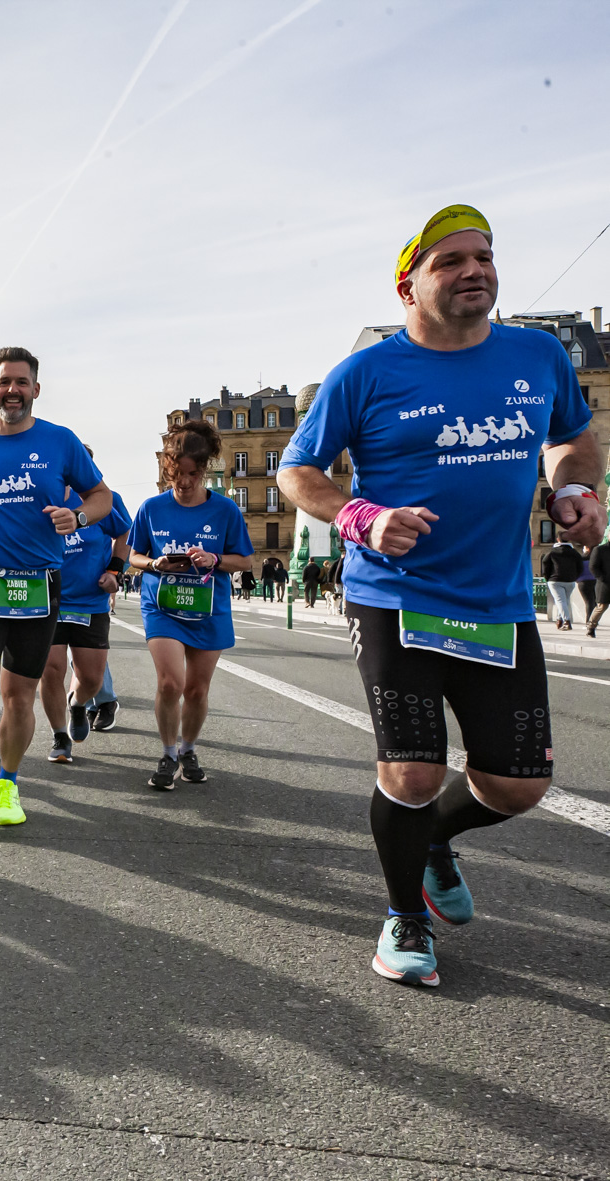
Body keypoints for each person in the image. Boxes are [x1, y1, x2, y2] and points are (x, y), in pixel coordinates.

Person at [279, 203, 603, 988]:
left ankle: (432, 843)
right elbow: (298, 471)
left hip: (497, 600)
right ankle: (404, 918)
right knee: (413, 771)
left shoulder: (539, 355)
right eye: (450, 260)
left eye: (484, 256)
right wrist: (362, 515)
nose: (475, 270)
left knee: (518, 783)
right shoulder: (367, 374)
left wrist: (576, 488)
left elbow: (571, 437)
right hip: (396, 595)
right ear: (408, 285)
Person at [0, 347, 112, 832]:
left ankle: (8, 784)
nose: (12, 390)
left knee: (20, 696)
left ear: (35, 389)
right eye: (4, 382)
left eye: (21, 382)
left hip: (39, 582)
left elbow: (102, 497)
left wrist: (76, 517)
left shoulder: (60, 441)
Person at [128, 420, 253, 789]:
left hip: (207, 609)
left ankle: (188, 749)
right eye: (176, 474)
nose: (183, 482)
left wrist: (214, 559)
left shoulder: (226, 511)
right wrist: (154, 564)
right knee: (170, 683)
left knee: (196, 690)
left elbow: (244, 561)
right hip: (163, 606)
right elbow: (133, 555)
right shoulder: (151, 508)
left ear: (205, 469)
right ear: (167, 469)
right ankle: (167, 755)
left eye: (192, 474)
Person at [41, 449, 132, 764]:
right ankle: (59, 736)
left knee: (91, 678)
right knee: (51, 670)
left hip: (89, 601)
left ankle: (78, 704)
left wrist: (114, 570)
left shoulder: (103, 500)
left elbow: (124, 533)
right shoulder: (42, 495)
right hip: (47, 600)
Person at [541, 540, 582, 630]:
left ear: (558, 540)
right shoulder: (574, 552)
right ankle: (559, 620)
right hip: (570, 581)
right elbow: (580, 566)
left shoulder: (552, 552)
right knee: (564, 601)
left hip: (555, 580)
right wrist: (575, 577)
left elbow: (545, 564)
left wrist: (547, 577)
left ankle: (567, 621)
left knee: (560, 601)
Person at [588, 540, 610, 637]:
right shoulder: (600, 549)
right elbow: (593, 567)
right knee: (601, 607)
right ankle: (591, 627)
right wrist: (603, 578)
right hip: (604, 584)